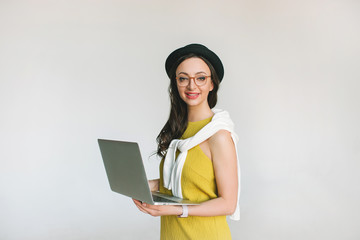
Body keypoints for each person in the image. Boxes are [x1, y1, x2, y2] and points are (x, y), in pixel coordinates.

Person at [133, 43, 240, 240]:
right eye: (183, 78)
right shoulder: (179, 131)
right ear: (176, 83)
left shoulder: (219, 135)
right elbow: (185, 182)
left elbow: (228, 203)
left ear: (212, 83)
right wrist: (145, 186)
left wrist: (175, 210)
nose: (192, 86)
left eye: (201, 78)